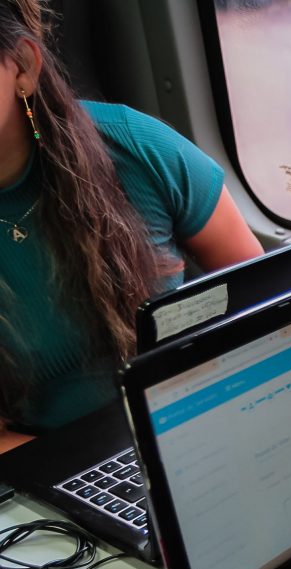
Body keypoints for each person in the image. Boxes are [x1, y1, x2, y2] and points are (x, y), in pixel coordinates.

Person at [0, 0, 262, 450]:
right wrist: (85, 480)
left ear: (23, 66)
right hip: (46, 463)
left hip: (198, 421)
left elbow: (260, 290)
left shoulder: (133, 146)